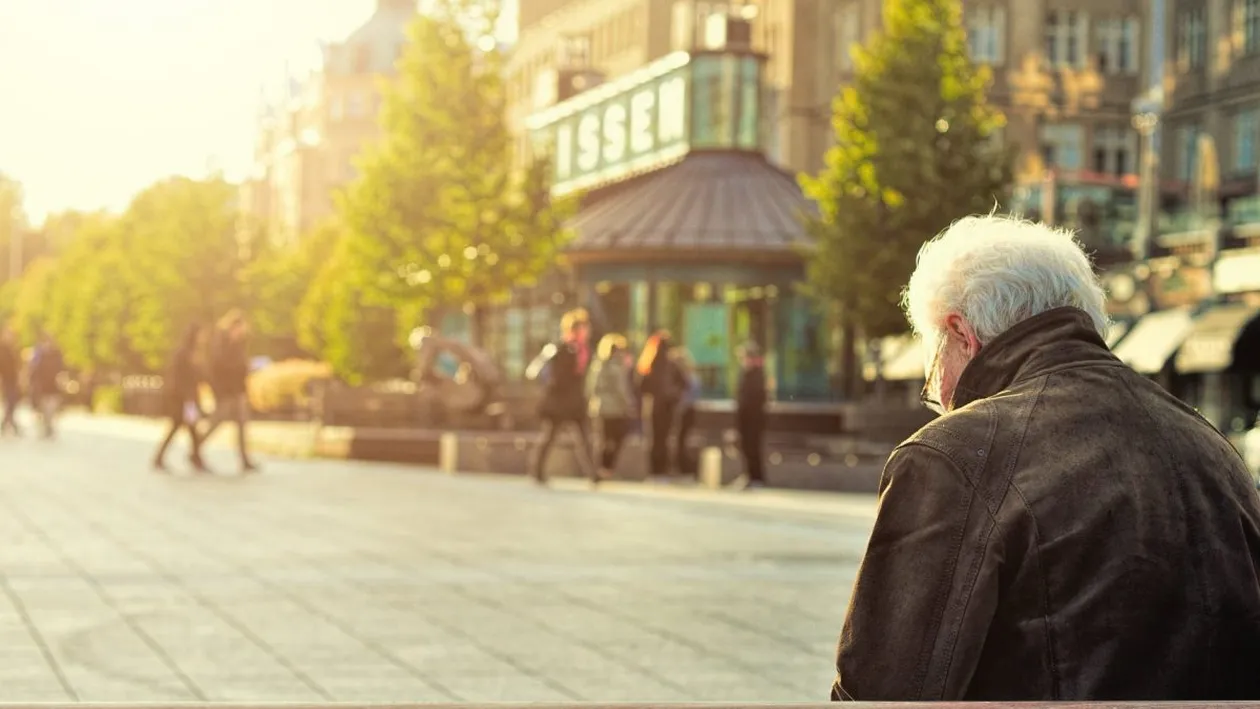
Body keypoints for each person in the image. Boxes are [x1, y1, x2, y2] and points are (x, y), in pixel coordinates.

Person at [832, 214, 1260, 701]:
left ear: (961, 334)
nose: (940, 396)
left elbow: (884, 690)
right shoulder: (1211, 447)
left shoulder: (954, 455)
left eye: (932, 370)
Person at [527, 308, 600, 485]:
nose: (587, 332)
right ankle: (536, 471)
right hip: (559, 403)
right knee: (550, 437)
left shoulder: (583, 350)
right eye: (583, 328)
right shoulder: (561, 349)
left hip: (575, 402)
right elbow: (557, 377)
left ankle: (593, 474)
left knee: (585, 438)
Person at [202, 310, 258, 473]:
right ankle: (196, 447)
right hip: (225, 392)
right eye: (238, 328)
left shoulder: (239, 345)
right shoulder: (221, 344)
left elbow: (240, 369)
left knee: (241, 425)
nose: (241, 332)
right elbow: (218, 369)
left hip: (238, 391)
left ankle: (244, 460)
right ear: (232, 327)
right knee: (216, 422)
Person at [153, 323, 209, 473]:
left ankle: (193, 458)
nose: (204, 338)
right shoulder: (184, 353)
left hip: (189, 399)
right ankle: (195, 459)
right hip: (184, 399)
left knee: (189, 429)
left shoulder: (195, 353)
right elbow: (178, 377)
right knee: (187, 428)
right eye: (201, 334)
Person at [587, 333, 638, 480]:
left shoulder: (597, 365)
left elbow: (590, 388)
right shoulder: (617, 366)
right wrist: (630, 404)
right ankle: (607, 469)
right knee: (615, 439)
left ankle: (601, 469)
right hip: (615, 409)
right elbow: (622, 389)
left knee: (603, 439)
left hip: (599, 407)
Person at [637, 330, 687, 478]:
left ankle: (657, 468)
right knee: (663, 437)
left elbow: (641, 386)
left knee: (657, 437)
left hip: (658, 404)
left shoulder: (650, 364)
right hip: (664, 405)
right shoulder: (663, 364)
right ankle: (660, 468)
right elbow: (683, 383)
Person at [734, 342, 766, 489]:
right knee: (747, 447)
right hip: (745, 416)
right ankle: (750, 475)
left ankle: (756, 477)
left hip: (753, 418)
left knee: (752, 447)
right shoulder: (746, 374)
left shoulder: (756, 375)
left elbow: (755, 398)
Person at [671, 347, 702, 479]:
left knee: (682, 439)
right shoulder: (691, 377)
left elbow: (690, 395)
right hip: (687, 410)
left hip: (686, 411)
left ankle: (684, 467)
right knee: (681, 439)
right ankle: (681, 467)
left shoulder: (688, 378)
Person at [27, 333, 64, 440]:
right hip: (41, 386)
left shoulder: (56, 354)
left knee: (52, 409)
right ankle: (46, 427)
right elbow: (33, 370)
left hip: (53, 385)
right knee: (43, 409)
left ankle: (49, 427)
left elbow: (61, 368)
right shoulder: (38, 354)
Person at [0, 328, 22, 437]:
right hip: (6, 381)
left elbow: (17, 366)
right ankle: (10, 425)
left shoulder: (12, 349)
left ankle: (8, 424)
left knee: (12, 403)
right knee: (10, 403)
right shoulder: (2, 350)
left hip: (13, 381)